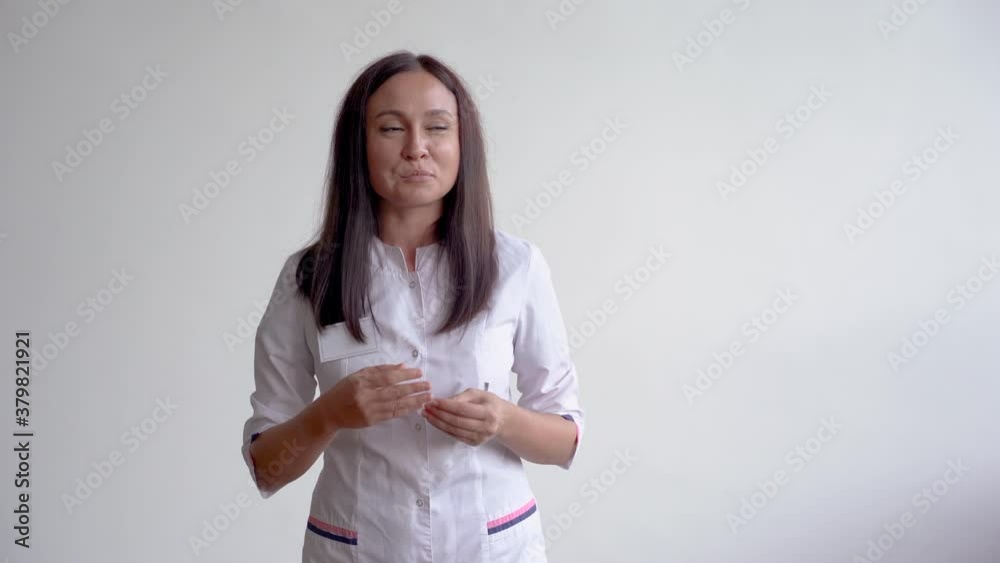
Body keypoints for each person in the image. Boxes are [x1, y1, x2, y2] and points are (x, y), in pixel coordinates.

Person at [240, 50, 585, 563]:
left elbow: (566, 440)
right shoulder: (309, 277)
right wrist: (328, 414)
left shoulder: (516, 266)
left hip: (491, 548)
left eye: (438, 127)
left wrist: (504, 420)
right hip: (358, 550)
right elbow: (268, 469)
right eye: (391, 129)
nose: (416, 148)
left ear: (462, 143)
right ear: (358, 144)